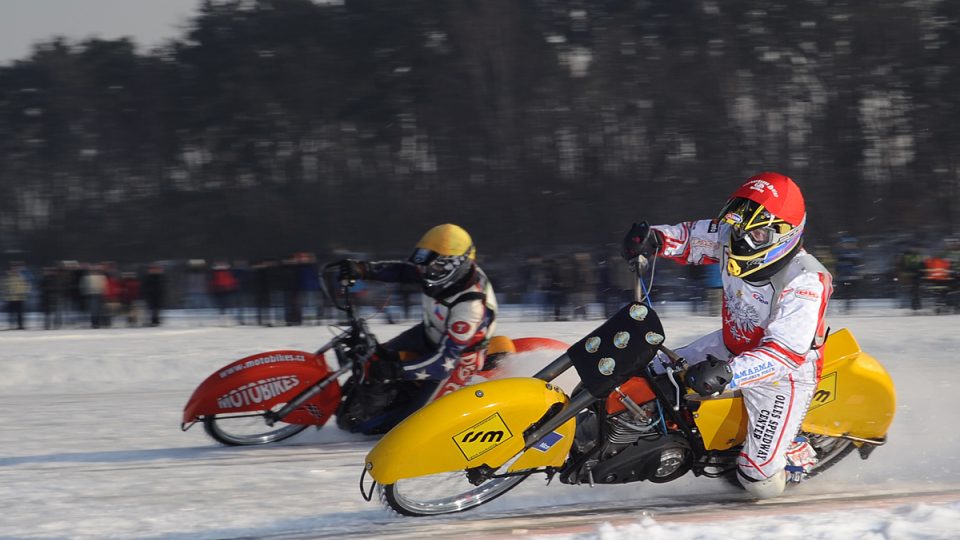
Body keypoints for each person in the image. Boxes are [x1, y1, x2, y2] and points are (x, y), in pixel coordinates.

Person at [621, 171, 832, 500]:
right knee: (649, 374)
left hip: (783, 374)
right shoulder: (730, 236)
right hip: (731, 343)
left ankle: (793, 449)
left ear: (784, 234)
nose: (741, 241)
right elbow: (690, 237)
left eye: (757, 234)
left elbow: (784, 353)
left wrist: (729, 374)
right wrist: (653, 239)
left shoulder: (806, 280)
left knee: (756, 479)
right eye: (739, 228)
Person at [335, 223, 498, 430]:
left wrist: (397, 370)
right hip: (430, 333)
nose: (425, 272)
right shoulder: (440, 271)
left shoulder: (470, 307)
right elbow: (405, 271)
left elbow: (444, 361)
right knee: (374, 357)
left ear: (456, 264)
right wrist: (363, 269)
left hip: (458, 359)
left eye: (435, 267)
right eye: (425, 265)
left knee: (405, 425)